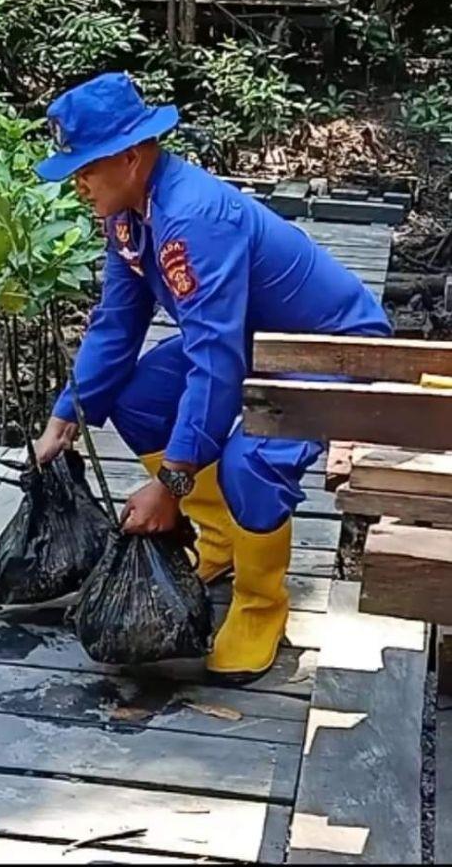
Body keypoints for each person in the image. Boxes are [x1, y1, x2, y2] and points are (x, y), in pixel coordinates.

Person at [33, 73, 390, 681]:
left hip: (330, 351)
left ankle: (260, 603)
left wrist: (169, 485)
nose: (78, 183)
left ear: (130, 156)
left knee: (248, 462)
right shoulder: (128, 217)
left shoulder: (194, 219)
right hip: (251, 343)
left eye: (86, 167)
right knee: (138, 398)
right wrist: (67, 414)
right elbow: (117, 323)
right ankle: (220, 538)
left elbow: (214, 360)